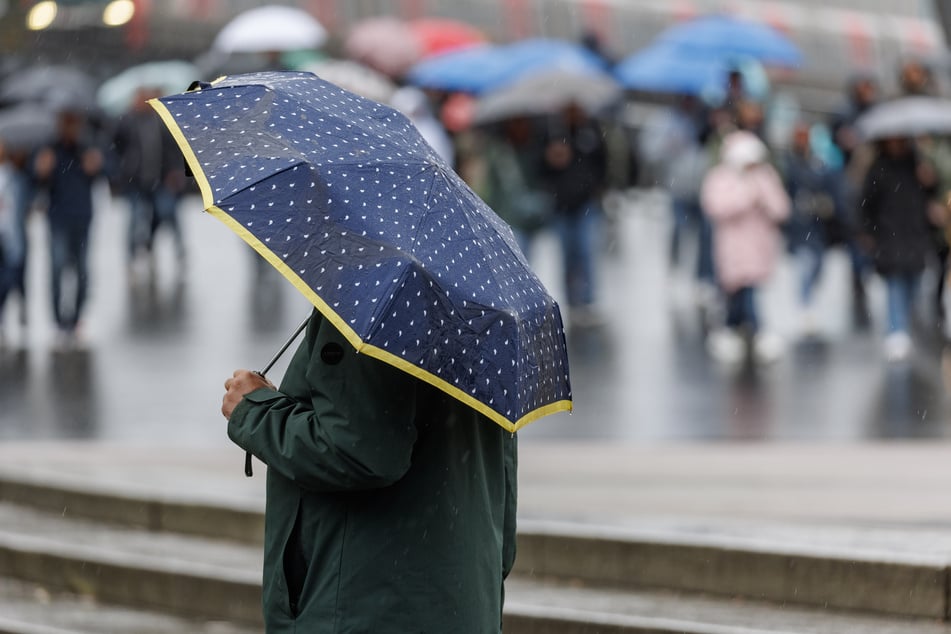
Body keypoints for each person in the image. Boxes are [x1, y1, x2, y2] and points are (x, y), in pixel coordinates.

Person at [220, 310, 518, 632]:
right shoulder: (486, 315)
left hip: (364, 603)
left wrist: (256, 409)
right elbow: (502, 475)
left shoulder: (370, 307)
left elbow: (358, 450)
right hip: (462, 598)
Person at [702, 130, 791, 364]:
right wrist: (747, 195)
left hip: (759, 247)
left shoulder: (766, 176)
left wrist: (764, 195)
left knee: (748, 291)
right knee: (738, 292)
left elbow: (781, 209)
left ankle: (743, 330)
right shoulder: (720, 177)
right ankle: (747, 330)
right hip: (732, 248)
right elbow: (716, 207)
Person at [858, 136, 937, 361]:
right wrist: (867, 231)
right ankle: (896, 331)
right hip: (889, 234)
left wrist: (930, 181)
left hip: (914, 233)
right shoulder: (878, 168)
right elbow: (867, 201)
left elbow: (930, 195)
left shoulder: (917, 165)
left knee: (913, 283)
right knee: (895, 283)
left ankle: (902, 326)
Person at [33, 109, 103, 345]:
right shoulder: (49, 148)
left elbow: (107, 173)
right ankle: (58, 321)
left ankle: (75, 319)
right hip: (58, 217)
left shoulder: (87, 147)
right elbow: (37, 182)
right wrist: (42, 170)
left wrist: (95, 166)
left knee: (82, 273)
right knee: (57, 267)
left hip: (82, 217)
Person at [541, 102, 609, 327]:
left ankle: (587, 300)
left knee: (586, 250)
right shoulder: (551, 130)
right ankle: (571, 301)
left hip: (585, 203)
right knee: (568, 254)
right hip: (561, 205)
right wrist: (551, 159)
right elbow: (540, 167)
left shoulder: (590, 130)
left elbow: (602, 162)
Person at [112, 86, 188, 280]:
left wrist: (175, 171)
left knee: (166, 213)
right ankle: (131, 256)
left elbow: (174, 149)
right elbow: (115, 148)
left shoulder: (162, 121)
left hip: (160, 180)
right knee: (136, 219)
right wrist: (120, 172)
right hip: (135, 181)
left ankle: (174, 250)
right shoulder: (127, 121)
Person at [778, 121, 845, 337]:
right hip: (799, 226)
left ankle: (810, 300)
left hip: (817, 227)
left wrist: (825, 204)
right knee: (804, 265)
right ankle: (806, 306)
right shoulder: (788, 164)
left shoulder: (819, 164)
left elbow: (831, 189)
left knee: (818, 266)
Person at [478, 116, 551, 259]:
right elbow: (491, 189)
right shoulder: (500, 153)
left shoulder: (536, 151)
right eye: (516, 123)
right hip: (510, 220)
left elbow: (544, 181)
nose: (520, 128)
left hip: (532, 221)